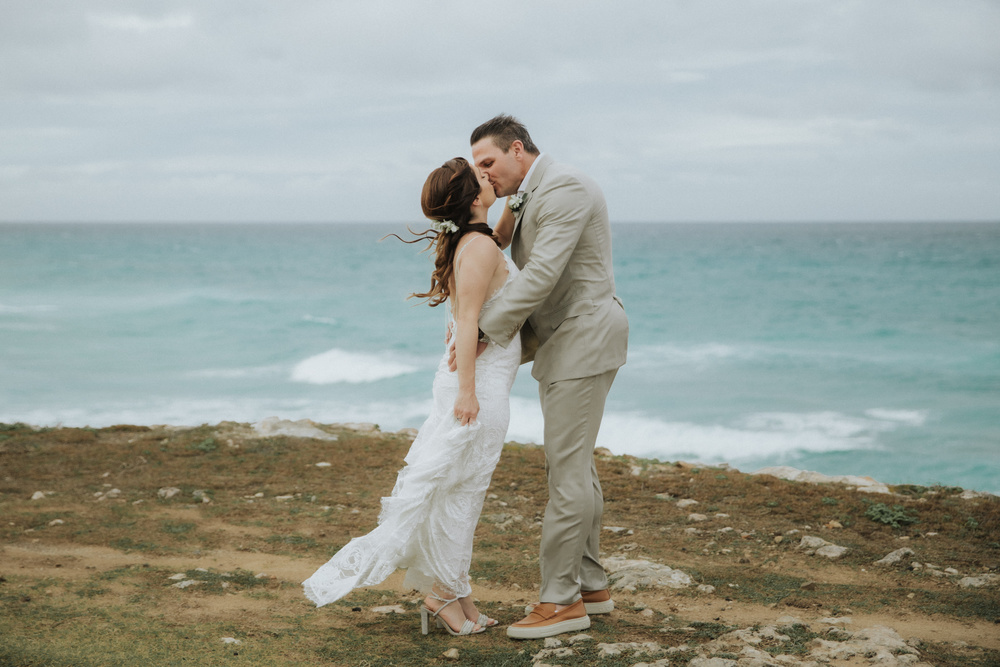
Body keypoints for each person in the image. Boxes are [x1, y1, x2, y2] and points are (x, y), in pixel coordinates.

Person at [302, 157, 521, 637]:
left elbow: (497, 247)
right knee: (460, 496)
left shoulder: (478, 241)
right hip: (477, 387)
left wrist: (518, 204)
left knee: (457, 494)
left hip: (480, 380)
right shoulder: (479, 248)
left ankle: (456, 592)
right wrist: (467, 391)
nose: (491, 176)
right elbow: (467, 323)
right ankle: (442, 594)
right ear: (470, 199)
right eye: (482, 177)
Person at [468, 114, 629, 639]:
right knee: (575, 467)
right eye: (477, 168)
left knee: (566, 474)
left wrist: (480, 332)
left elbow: (541, 275)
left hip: (583, 339)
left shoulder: (565, 188)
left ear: (518, 150)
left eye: (488, 163)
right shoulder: (528, 194)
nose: (484, 175)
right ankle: (590, 586)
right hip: (566, 343)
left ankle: (560, 603)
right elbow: (504, 257)